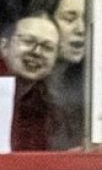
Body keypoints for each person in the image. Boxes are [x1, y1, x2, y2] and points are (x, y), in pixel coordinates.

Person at [26, 0, 85, 149]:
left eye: (86, 18)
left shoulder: (88, 87)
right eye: (69, 18)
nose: (81, 29)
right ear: (43, 20)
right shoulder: (25, 93)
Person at [0, 12, 60, 150]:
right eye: (28, 41)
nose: (37, 52)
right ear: (4, 47)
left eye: (47, 47)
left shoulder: (50, 105)